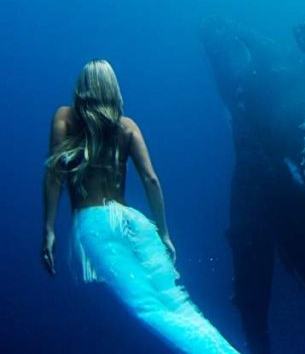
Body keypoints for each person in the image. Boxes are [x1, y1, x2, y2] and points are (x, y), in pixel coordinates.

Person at [42, 59, 238, 354]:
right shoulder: (127, 126)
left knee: (147, 307)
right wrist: (165, 233)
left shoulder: (65, 118)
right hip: (133, 221)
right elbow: (151, 180)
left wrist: (49, 228)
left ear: (81, 87)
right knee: (176, 302)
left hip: (94, 223)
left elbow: (54, 175)